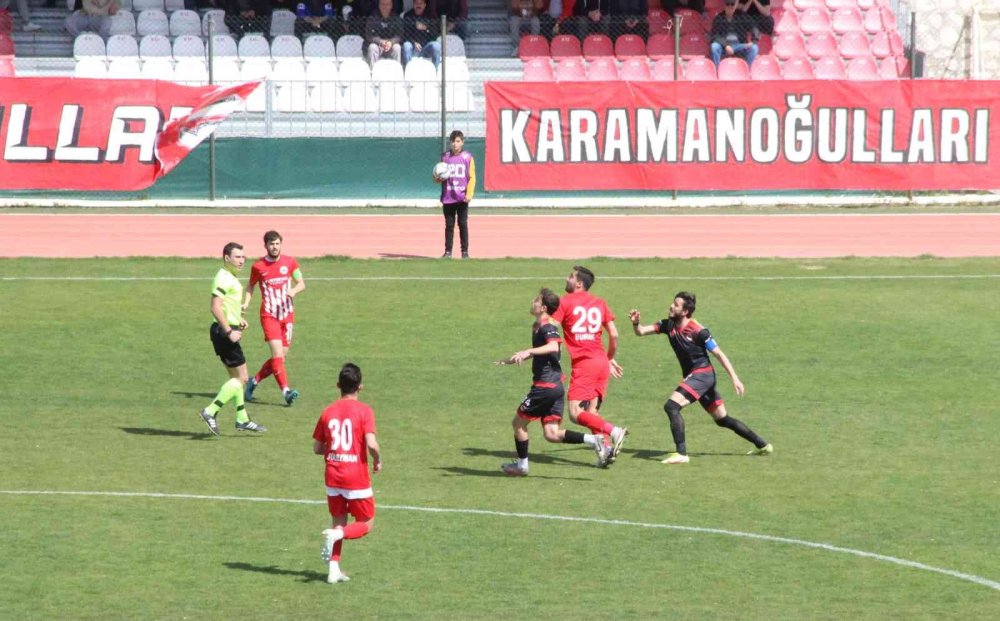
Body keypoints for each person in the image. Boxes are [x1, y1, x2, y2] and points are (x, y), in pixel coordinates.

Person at [628, 292, 772, 465]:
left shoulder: (699, 331)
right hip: (698, 378)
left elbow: (719, 353)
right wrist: (636, 323)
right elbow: (641, 332)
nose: (671, 306)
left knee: (671, 406)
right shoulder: (669, 325)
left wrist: (735, 378)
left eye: (676, 304)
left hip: (702, 375)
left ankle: (681, 453)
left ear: (685, 311)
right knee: (722, 419)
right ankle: (762, 445)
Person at [498, 288, 607, 476]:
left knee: (518, 424)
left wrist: (529, 351)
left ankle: (522, 465)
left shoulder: (548, 326)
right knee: (551, 434)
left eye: (536, 299)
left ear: (543, 307)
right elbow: (547, 353)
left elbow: (553, 346)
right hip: (556, 387)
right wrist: (516, 358)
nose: (532, 301)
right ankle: (594, 440)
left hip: (544, 387)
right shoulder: (537, 326)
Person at [550, 265, 628, 467]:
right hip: (602, 362)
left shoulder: (564, 302)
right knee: (591, 413)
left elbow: (551, 327)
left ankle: (614, 431)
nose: (566, 279)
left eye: (570, 276)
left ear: (578, 283)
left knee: (576, 413)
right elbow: (615, 334)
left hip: (584, 364)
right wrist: (609, 358)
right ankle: (606, 452)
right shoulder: (600, 303)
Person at [314, 363, 382, 584]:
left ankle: (333, 570)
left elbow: (317, 448)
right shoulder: (365, 411)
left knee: (338, 520)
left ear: (338, 386)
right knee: (366, 523)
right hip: (356, 477)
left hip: (332, 476)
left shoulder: (328, 411)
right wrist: (377, 460)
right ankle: (339, 535)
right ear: (360, 387)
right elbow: (371, 444)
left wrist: (335, 450)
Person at [199, 242, 267, 435]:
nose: (241, 260)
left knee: (235, 380)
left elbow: (226, 307)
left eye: (243, 257)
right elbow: (215, 307)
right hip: (225, 334)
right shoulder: (223, 278)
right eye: (237, 257)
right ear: (226, 258)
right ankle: (210, 411)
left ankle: (242, 419)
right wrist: (230, 331)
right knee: (242, 378)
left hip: (226, 330)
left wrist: (239, 320)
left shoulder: (230, 277)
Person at [242, 230, 304, 407]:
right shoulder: (258, 266)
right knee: (277, 354)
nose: (274, 247)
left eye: (277, 243)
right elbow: (250, 286)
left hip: (287, 315)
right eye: (271, 244)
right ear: (265, 246)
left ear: (281, 244)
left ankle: (253, 381)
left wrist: (294, 290)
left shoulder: (290, 262)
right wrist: (246, 303)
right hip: (269, 315)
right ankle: (286, 392)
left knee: (280, 359)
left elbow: (302, 283)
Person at [434, 129, 476, 259]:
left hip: (462, 197)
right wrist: (437, 179)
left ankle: (465, 251)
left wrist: (469, 194)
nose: (454, 144)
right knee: (449, 225)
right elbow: (437, 177)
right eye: (452, 141)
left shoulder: (468, 157)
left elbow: (472, 177)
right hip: (448, 197)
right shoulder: (445, 157)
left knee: (463, 224)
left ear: (462, 142)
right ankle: (448, 252)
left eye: (457, 141)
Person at [709, 0, 758, 68]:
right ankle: (717, 69)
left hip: (740, 45)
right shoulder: (718, 18)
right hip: (724, 46)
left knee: (754, 47)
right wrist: (726, 45)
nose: (730, 6)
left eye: (732, 4)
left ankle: (747, 70)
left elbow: (754, 27)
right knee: (714, 46)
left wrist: (754, 41)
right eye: (728, 4)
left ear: (736, 5)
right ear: (724, 5)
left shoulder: (743, 16)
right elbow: (714, 35)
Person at [402, 0, 441, 67]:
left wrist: (426, 28)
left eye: (421, 3)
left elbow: (436, 34)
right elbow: (404, 34)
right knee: (406, 45)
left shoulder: (431, 15)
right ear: (413, 4)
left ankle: (436, 71)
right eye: (416, 3)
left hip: (426, 48)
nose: (418, 5)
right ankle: (407, 71)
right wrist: (413, 42)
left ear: (425, 5)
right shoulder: (408, 15)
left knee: (436, 45)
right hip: (413, 47)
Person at [365, 0, 403, 68]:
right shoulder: (372, 18)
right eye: (382, 4)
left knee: (397, 47)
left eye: (387, 4)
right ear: (379, 5)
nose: (385, 6)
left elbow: (400, 35)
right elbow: (368, 35)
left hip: (391, 46)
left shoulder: (396, 18)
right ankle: (372, 73)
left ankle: (397, 73)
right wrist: (381, 41)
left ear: (391, 6)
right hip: (377, 46)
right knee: (372, 47)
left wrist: (391, 42)